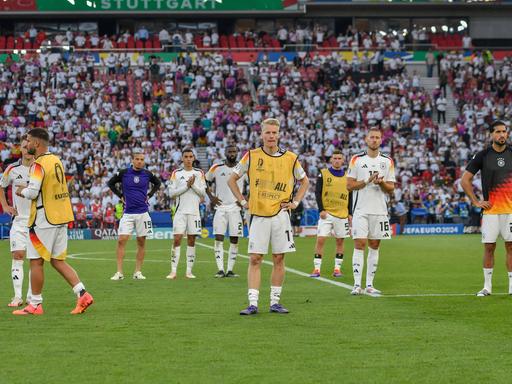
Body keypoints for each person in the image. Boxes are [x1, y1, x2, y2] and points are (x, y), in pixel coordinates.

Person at [228, 118, 310, 315]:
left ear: (279, 134)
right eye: (268, 133)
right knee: (255, 258)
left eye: (274, 133)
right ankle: (253, 303)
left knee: (279, 258)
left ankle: (275, 302)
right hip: (258, 214)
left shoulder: (291, 158)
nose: (271, 136)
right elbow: (232, 180)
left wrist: (295, 202)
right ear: (262, 134)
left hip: (281, 214)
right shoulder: (251, 156)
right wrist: (243, 202)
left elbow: (305, 181)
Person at [13, 128, 93, 315]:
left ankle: (35, 304)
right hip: (61, 216)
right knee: (58, 260)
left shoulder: (38, 164)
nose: (27, 145)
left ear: (37, 143)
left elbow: (33, 193)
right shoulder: (56, 160)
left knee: (36, 261)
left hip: (44, 218)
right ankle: (82, 293)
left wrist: (21, 191)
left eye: (29, 141)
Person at [461, 120, 512, 296]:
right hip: (490, 211)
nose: (502, 135)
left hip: (510, 211)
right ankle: (487, 287)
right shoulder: (483, 155)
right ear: (491, 135)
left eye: (504, 132)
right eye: (498, 132)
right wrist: (476, 201)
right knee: (489, 248)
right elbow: (465, 180)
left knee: (511, 247)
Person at [347, 127, 396, 296]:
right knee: (359, 244)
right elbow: (349, 185)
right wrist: (367, 180)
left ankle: (369, 284)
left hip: (380, 210)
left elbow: (391, 188)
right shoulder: (356, 160)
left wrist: (381, 183)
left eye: (377, 137)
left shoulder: (387, 161)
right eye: (371, 137)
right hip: (361, 210)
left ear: (381, 140)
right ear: (366, 140)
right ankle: (356, 284)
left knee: (374, 245)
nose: (374, 140)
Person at [107, 149, 162, 280]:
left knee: (141, 242)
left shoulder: (147, 174)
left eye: (142, 159)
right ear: (132, 160)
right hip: (128, 213)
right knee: (121, 240)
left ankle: (137, 272)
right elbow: (110, 183)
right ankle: (119, 273)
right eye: (137, 159)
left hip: (143, 213)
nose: (139, 161)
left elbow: (158, 183)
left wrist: (150, 195)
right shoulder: (124, 173)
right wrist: (120, 195)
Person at [0, 135, 34, 307]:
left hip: (37, 222)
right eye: (24, 146)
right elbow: (2, 186)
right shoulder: (11, 169)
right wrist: (5, 205)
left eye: (30, 146)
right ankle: (17, 296)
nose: (27, 149)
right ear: (20, 149)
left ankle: (31, 297)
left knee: (35, 260)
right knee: (18, 255)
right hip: (19, 221)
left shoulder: (40, 168)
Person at [205, 145, 246, 278]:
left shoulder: (243, 168)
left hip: (235, 208)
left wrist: (244, 200)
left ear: (237, 153)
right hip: (220, 208)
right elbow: (204, 181)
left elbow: (253, 185)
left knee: (235, 239)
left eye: (234, 151)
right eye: (230, 151)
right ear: (225, 153)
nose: (232, 153)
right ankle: (220, 269)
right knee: (218, 238)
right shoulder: (216, 167)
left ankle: (230, 270)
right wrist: (211, 197)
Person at [310, 150, 351, 278]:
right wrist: (321, 209)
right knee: (321, 239)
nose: (337, 160)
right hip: (327, 213)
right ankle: (316, 269)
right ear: (331, 160)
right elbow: (317, 192)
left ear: (343, 160)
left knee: (340, 241)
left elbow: (351, 195)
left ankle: (337, 269)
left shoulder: (348, 176)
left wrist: (350, 212)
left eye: (339, 158)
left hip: (342, 214)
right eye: (335, 158)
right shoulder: (323, 174)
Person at [167, 149, 206, 279]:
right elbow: (171, 193)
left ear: (194, 158)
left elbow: (202, 193)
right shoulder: (176, 173)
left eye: (191, 156)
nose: (188, 159)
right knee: (177, 239)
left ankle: (189, 271)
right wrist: (187, 186)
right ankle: (173, 271)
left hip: (194, 213)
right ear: (182, 158)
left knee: (191, 240)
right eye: (186, 157)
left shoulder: (199, 173)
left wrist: (192, 185)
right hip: (180, 212)